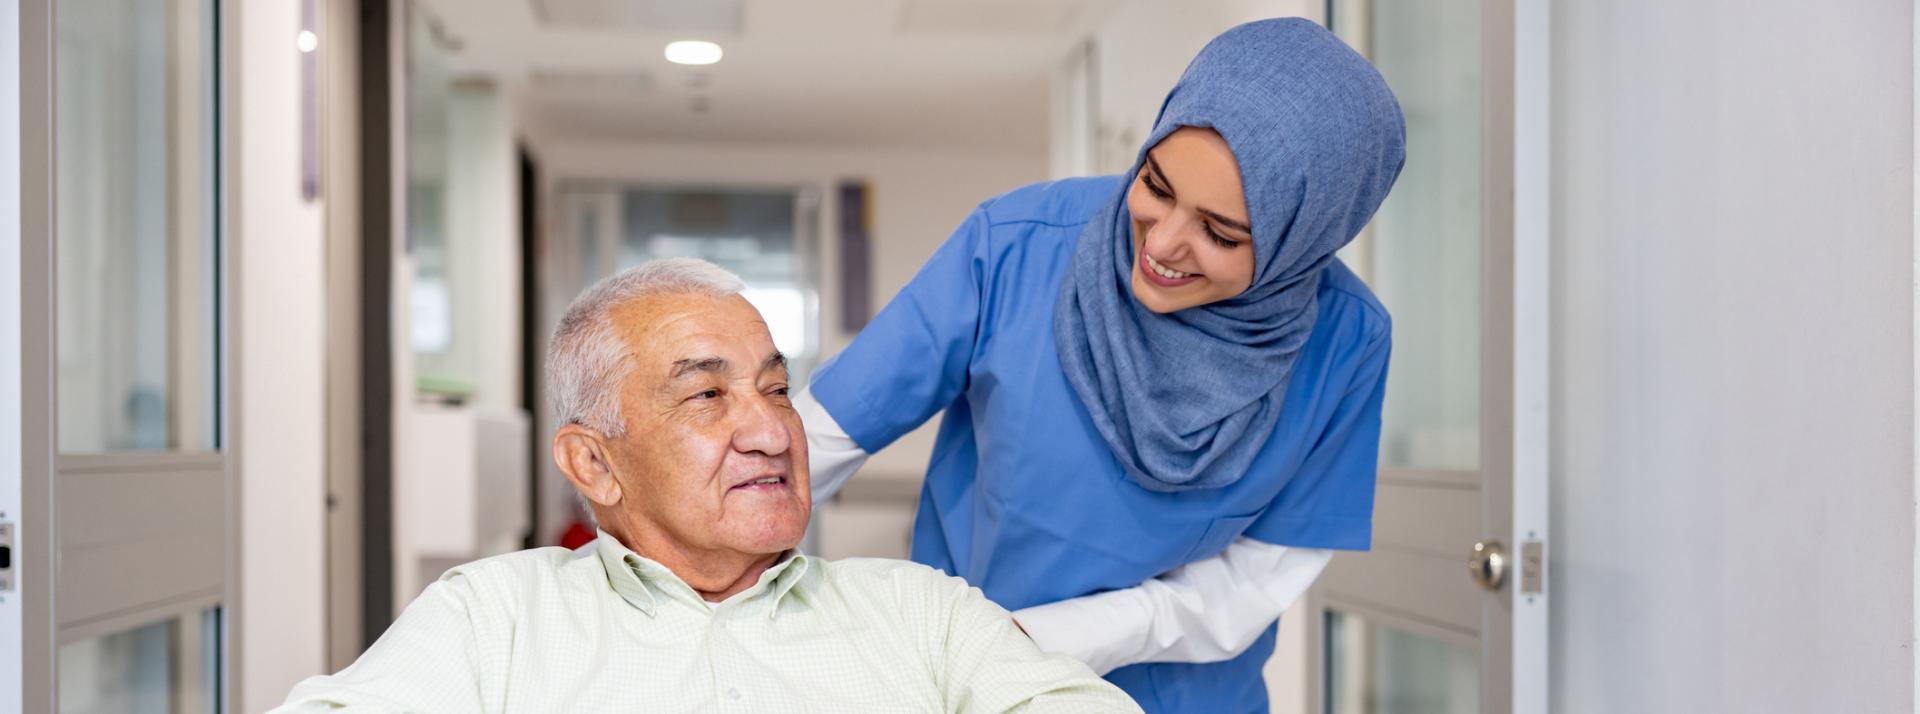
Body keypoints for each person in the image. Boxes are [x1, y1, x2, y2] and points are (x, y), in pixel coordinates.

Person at [795, 19, 1404, 712]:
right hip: (969, 681)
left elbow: (1253, 583)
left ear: (1306, 239)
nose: (1164, 244)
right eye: (1155, 184)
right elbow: (821, 435)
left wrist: (1044, 635)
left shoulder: (1347, 344)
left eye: (1219, 232)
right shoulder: (1017, 246)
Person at [274, 258, 1140, 713]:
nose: (770, 430)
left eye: (773, 388)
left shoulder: (925, 615)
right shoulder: (492, 619)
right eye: (705, 395)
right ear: (593, 463)